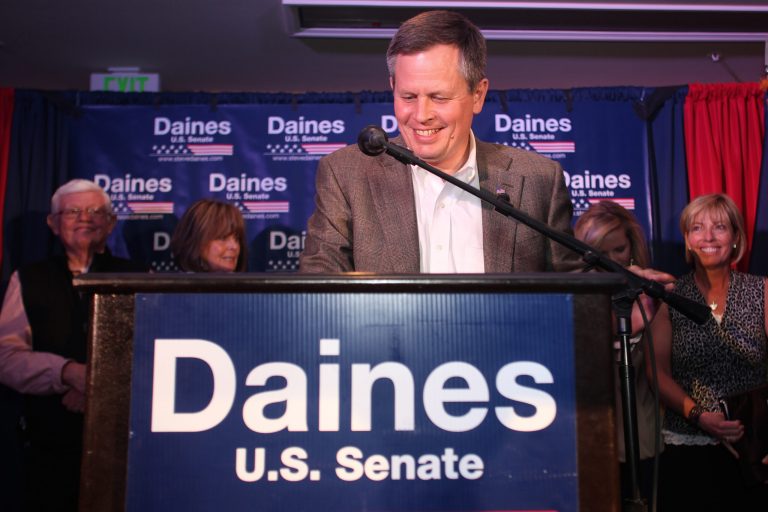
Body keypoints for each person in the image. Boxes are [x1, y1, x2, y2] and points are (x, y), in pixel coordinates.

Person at [299, 10, 580, 273]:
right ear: (392, 88)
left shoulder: (537, 180)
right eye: (408, 97)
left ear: (478, 95)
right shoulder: (346, 175)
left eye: (440, 97)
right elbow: (320, 293)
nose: (421, 116)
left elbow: (575, 300)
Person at [0, 178, 146, 511]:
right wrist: (66, 373)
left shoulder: (139, 274)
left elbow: (152, 352)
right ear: (53, 224)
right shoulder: (27, 278)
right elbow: (6, 357)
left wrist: (95, 383)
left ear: (111, 223)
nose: (86, 218)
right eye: (74, 211)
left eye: (96, 211)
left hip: (123, 446)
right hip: (48, 446)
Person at [649, 193, 768, 510]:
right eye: (697, 228)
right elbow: (655, 372)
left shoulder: (762, 290)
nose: (709, 237)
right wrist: (700, 417)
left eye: (720, 227)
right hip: (689, 447)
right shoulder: (671, 297)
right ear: (687, 240)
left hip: (754, 449)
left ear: (736, 238)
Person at [574, 200, 659, 507]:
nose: (611, 261)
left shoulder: (653, 294)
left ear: (632, 247)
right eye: (601, 253)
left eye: (619, 250)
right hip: (591, 444)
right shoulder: (574, 299)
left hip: (644, 442)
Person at [170, 199, 247, 272]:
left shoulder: (247, 285)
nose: (234, 246)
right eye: (223, 238)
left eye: (237, 239)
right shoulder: (173, 285)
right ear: (196, 241)